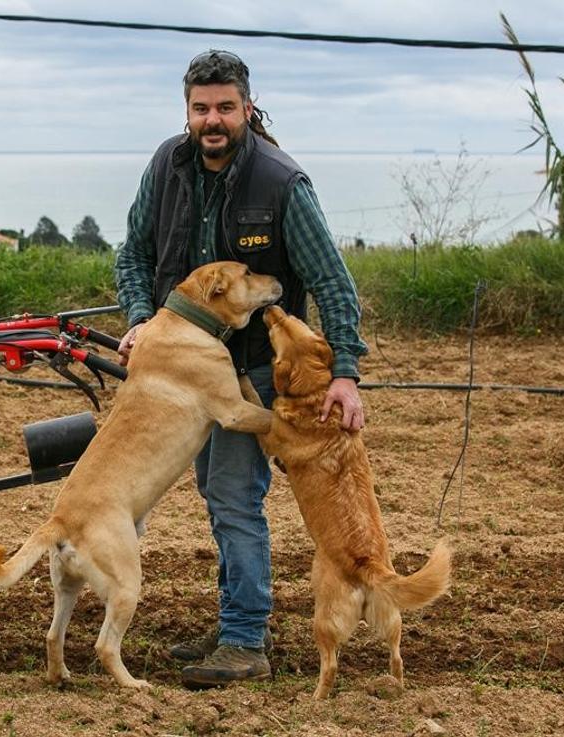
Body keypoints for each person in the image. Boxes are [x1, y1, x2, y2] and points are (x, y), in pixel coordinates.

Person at [114, 49, 369, 688]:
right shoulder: (166, 166)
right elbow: (133, 256)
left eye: (226, 107)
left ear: (247, 108)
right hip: (180, 370)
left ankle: (244, 639)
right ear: (188, 112)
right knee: (215, 496)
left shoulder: (282, 182)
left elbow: (333, 283)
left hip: (250, 372)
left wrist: (345, 373)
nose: (213, 120)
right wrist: (141, 318)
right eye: (201, 109)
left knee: (233, 499)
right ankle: (235, 618)